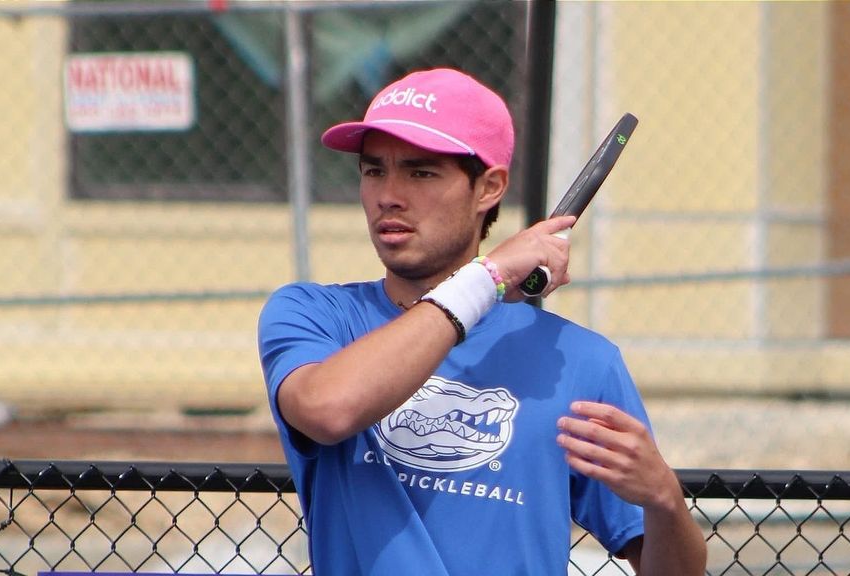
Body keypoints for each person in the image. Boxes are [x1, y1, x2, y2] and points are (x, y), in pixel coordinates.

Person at [258, 67, 706, 575]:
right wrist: (487, 277)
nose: (389, 194)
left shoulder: (579, 361)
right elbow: (328, 409)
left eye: (420, 172)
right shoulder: (313, 315)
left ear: (488, 188)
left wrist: (665, 499)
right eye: (373, 170)